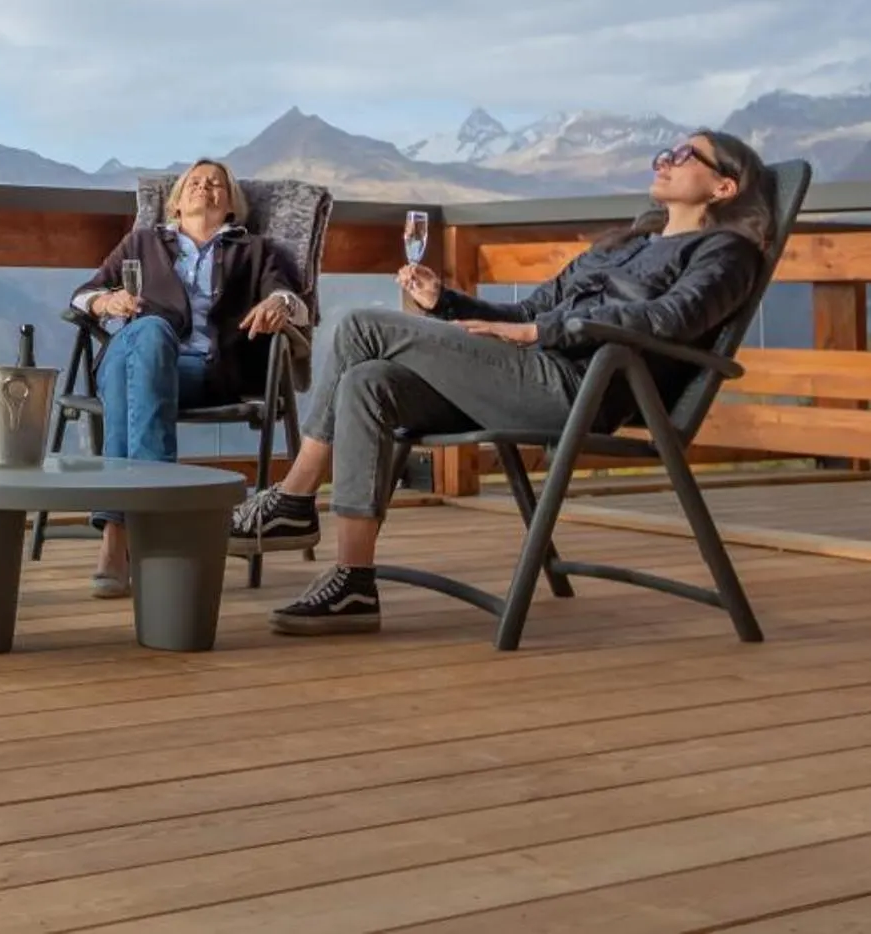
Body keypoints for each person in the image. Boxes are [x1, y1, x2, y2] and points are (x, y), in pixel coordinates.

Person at [239, 128, 775, 635]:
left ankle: (292, 499)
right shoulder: (625, 243)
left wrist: (535, 331)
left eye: (684, 156)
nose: (665, 160)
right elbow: (528, 308)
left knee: (361, 325)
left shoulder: (727, 253)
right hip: (527, 375)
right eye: (666, 151)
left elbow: (668, 321)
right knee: (370, 382)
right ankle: (352, 581)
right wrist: (444, 301)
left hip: (581, 386)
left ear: (724, 186)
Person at [69, 159, 312, 598]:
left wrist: (278, 303)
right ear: (176, 203)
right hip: (129, 352)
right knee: (151, 334)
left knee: (139, 378)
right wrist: (106, 303)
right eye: (195, 183)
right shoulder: (142, 241)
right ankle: (158, 529)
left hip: (201, 371)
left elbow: (293, 299)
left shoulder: (256, 250)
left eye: (217, 183)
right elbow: (83, 294)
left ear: (232, 204)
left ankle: (116, 539)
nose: (206, 188)